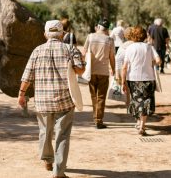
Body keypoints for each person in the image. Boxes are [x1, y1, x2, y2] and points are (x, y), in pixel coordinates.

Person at [18, 20, 84, 178]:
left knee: (44, 131)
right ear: (62, 34)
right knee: (62, 136)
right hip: (65, 100)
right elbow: (80, 70)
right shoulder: (70, 49)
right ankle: (59, 172)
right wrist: (77, 64)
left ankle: (48, 160)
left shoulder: (37, 51)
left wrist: (21, 94)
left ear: (45, 34)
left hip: (43, 101)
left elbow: (27, 75)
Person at [121, 26, 160, 136]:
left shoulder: (129, 48)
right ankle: (142, 125)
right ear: (144, 36)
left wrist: (123, 82)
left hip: (133, 79)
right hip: (148, 78)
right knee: (146, 101)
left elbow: (124, 67)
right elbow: (159, 61)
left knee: (136, 101)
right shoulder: (149, 47)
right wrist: (150, 64)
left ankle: (138, 122)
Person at [83, 18, 115, 129]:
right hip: (104, 72)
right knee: (101, 97)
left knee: (93, 96)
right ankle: (99, 120)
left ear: (98, 26)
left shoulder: (90, 37)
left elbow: (83, 53)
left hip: (91, 71)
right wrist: (114, 69)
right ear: (107, 29)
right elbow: (112, 57)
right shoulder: (110, 40)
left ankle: (95, 118)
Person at [115, 27, 134, 107]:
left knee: (126, 88)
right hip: (134, 70)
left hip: (124, 70)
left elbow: (118, 60)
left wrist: (117, 74)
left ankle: (128, 103)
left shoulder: (122, 46)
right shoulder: (136, 45)